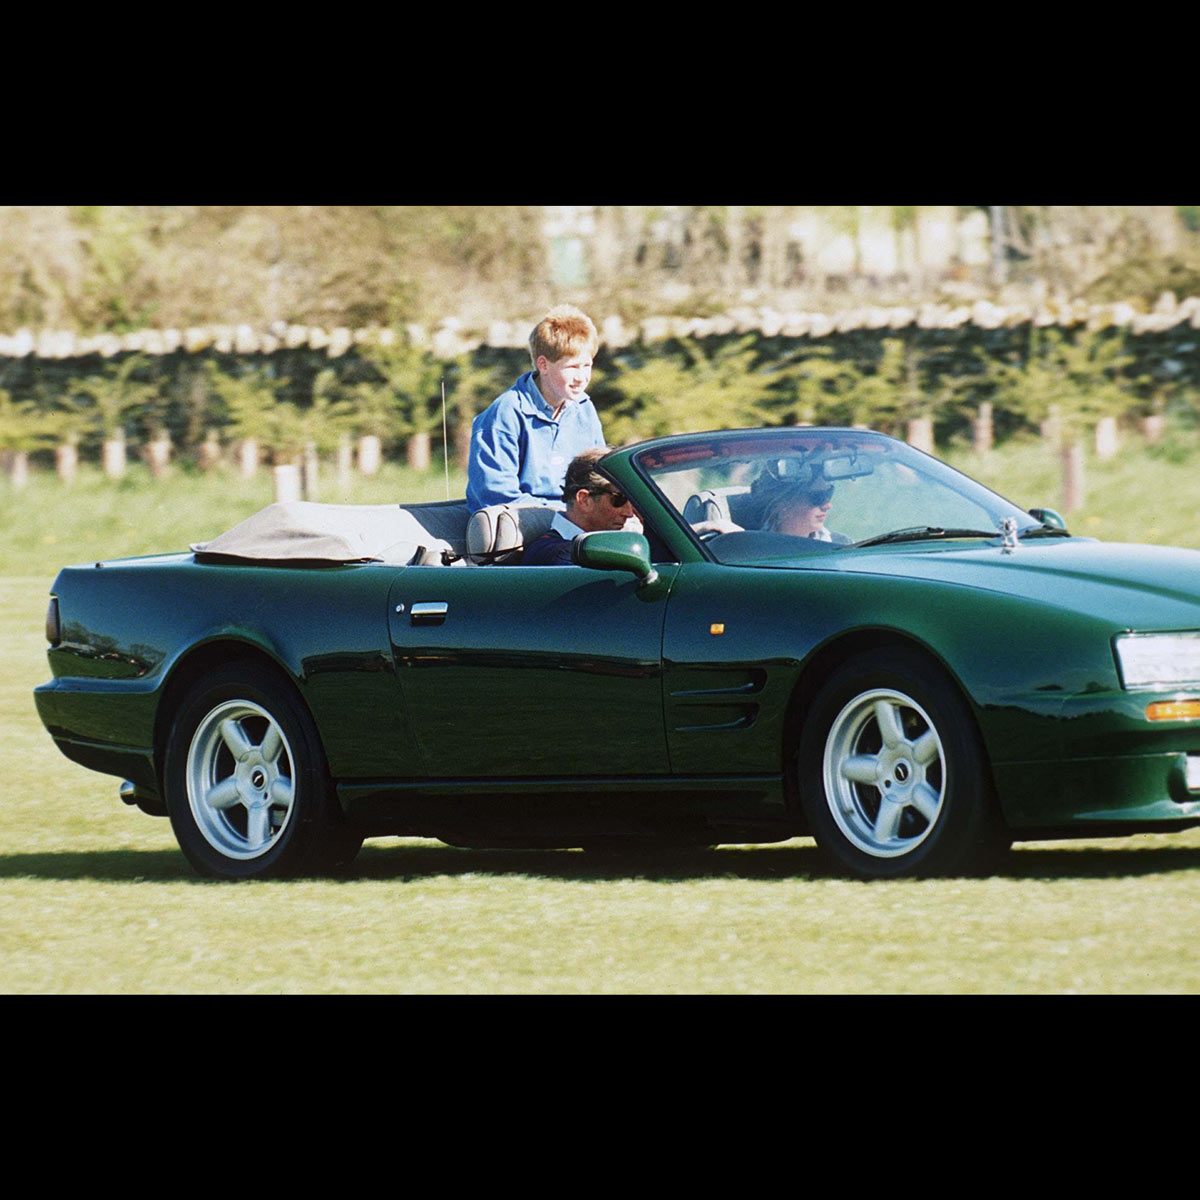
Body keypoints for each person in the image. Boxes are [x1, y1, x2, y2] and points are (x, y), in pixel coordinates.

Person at [466, 304, 605, 513]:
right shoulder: (506, 413)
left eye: (587, 366)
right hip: (522, 527)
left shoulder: (584, 408)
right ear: (543, 365)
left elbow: (599, 476)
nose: (581, 378)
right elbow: (497, 497)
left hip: (574, 519)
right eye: (572, 367)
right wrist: (568, 514)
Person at [521, 449, 636, 565]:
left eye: (632, 500)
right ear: (584, 500)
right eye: (619, 499)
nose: (629, 513)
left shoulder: (589, 549)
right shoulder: (560, 556)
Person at [761, 481, 850, 543]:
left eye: (829, 493)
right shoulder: (754, 549)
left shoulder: (843, 545)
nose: (828, 506)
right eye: (818, 497)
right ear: (781, 504)